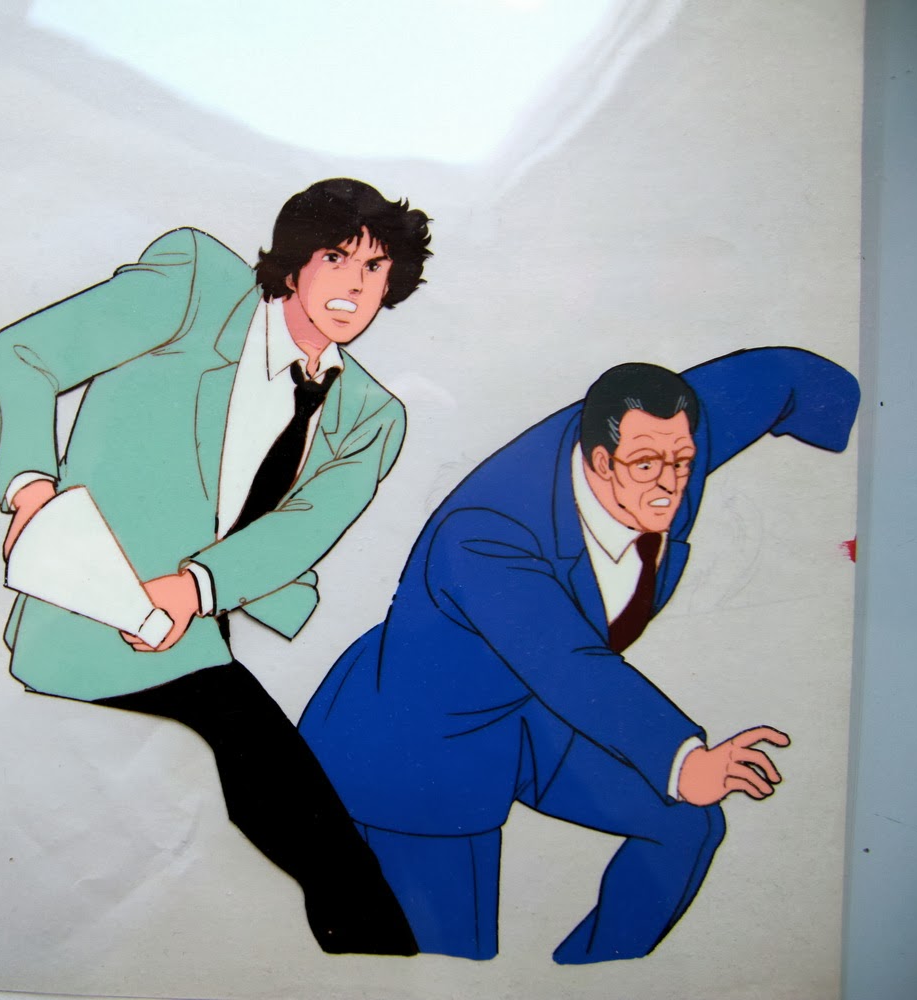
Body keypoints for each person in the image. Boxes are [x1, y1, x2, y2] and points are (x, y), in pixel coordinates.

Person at [0, 178, 432, 954]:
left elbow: (302, 531)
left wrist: (195, 589)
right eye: (335, 257)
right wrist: (31, 491)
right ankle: (376, 950)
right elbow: (19, 355)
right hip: (89, 611)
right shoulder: (194, 288)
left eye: (374, 268)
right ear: (295, 261)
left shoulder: (371, 416)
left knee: (269, 790)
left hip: (202, 625)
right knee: (281, 789)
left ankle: (369, 953)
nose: (354, 286)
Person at [298, 347, 860, 964]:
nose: (669, 486)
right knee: (450, 962)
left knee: (684, 825)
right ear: (598, 461)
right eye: (646, 466)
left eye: (682, 462)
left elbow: (773, 378)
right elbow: (569, 664)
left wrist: (857, 438)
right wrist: (683, 760)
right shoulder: (483, 535)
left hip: (526, 711)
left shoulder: (666, 438)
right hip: (417, 747)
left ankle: (595, 974)